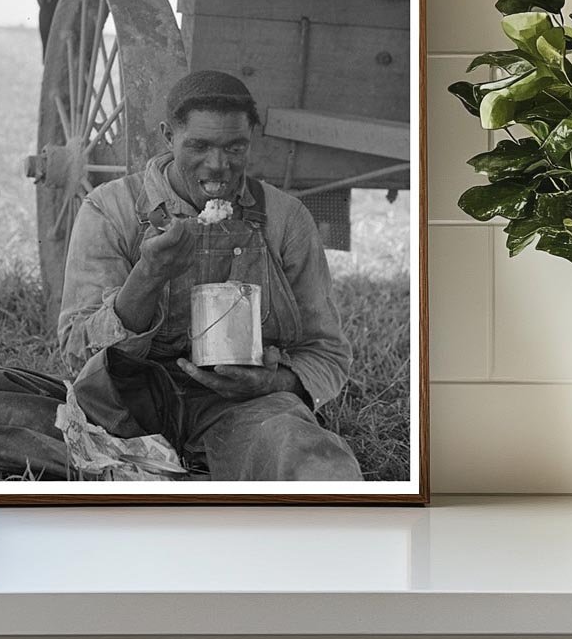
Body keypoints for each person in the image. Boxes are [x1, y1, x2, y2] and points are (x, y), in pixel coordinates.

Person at [59, 69, 364, 481]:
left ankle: (166, 471)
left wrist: (272, 383)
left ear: (251, 140)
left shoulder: (286, 220)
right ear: (168, 136)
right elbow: (78, 350)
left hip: (243, 408)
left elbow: (326, 352)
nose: (218, 166)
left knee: (315, 467)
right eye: (199, 146)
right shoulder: (109, 210)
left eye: (235, 148)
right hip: (125, 404)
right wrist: (148, 275)